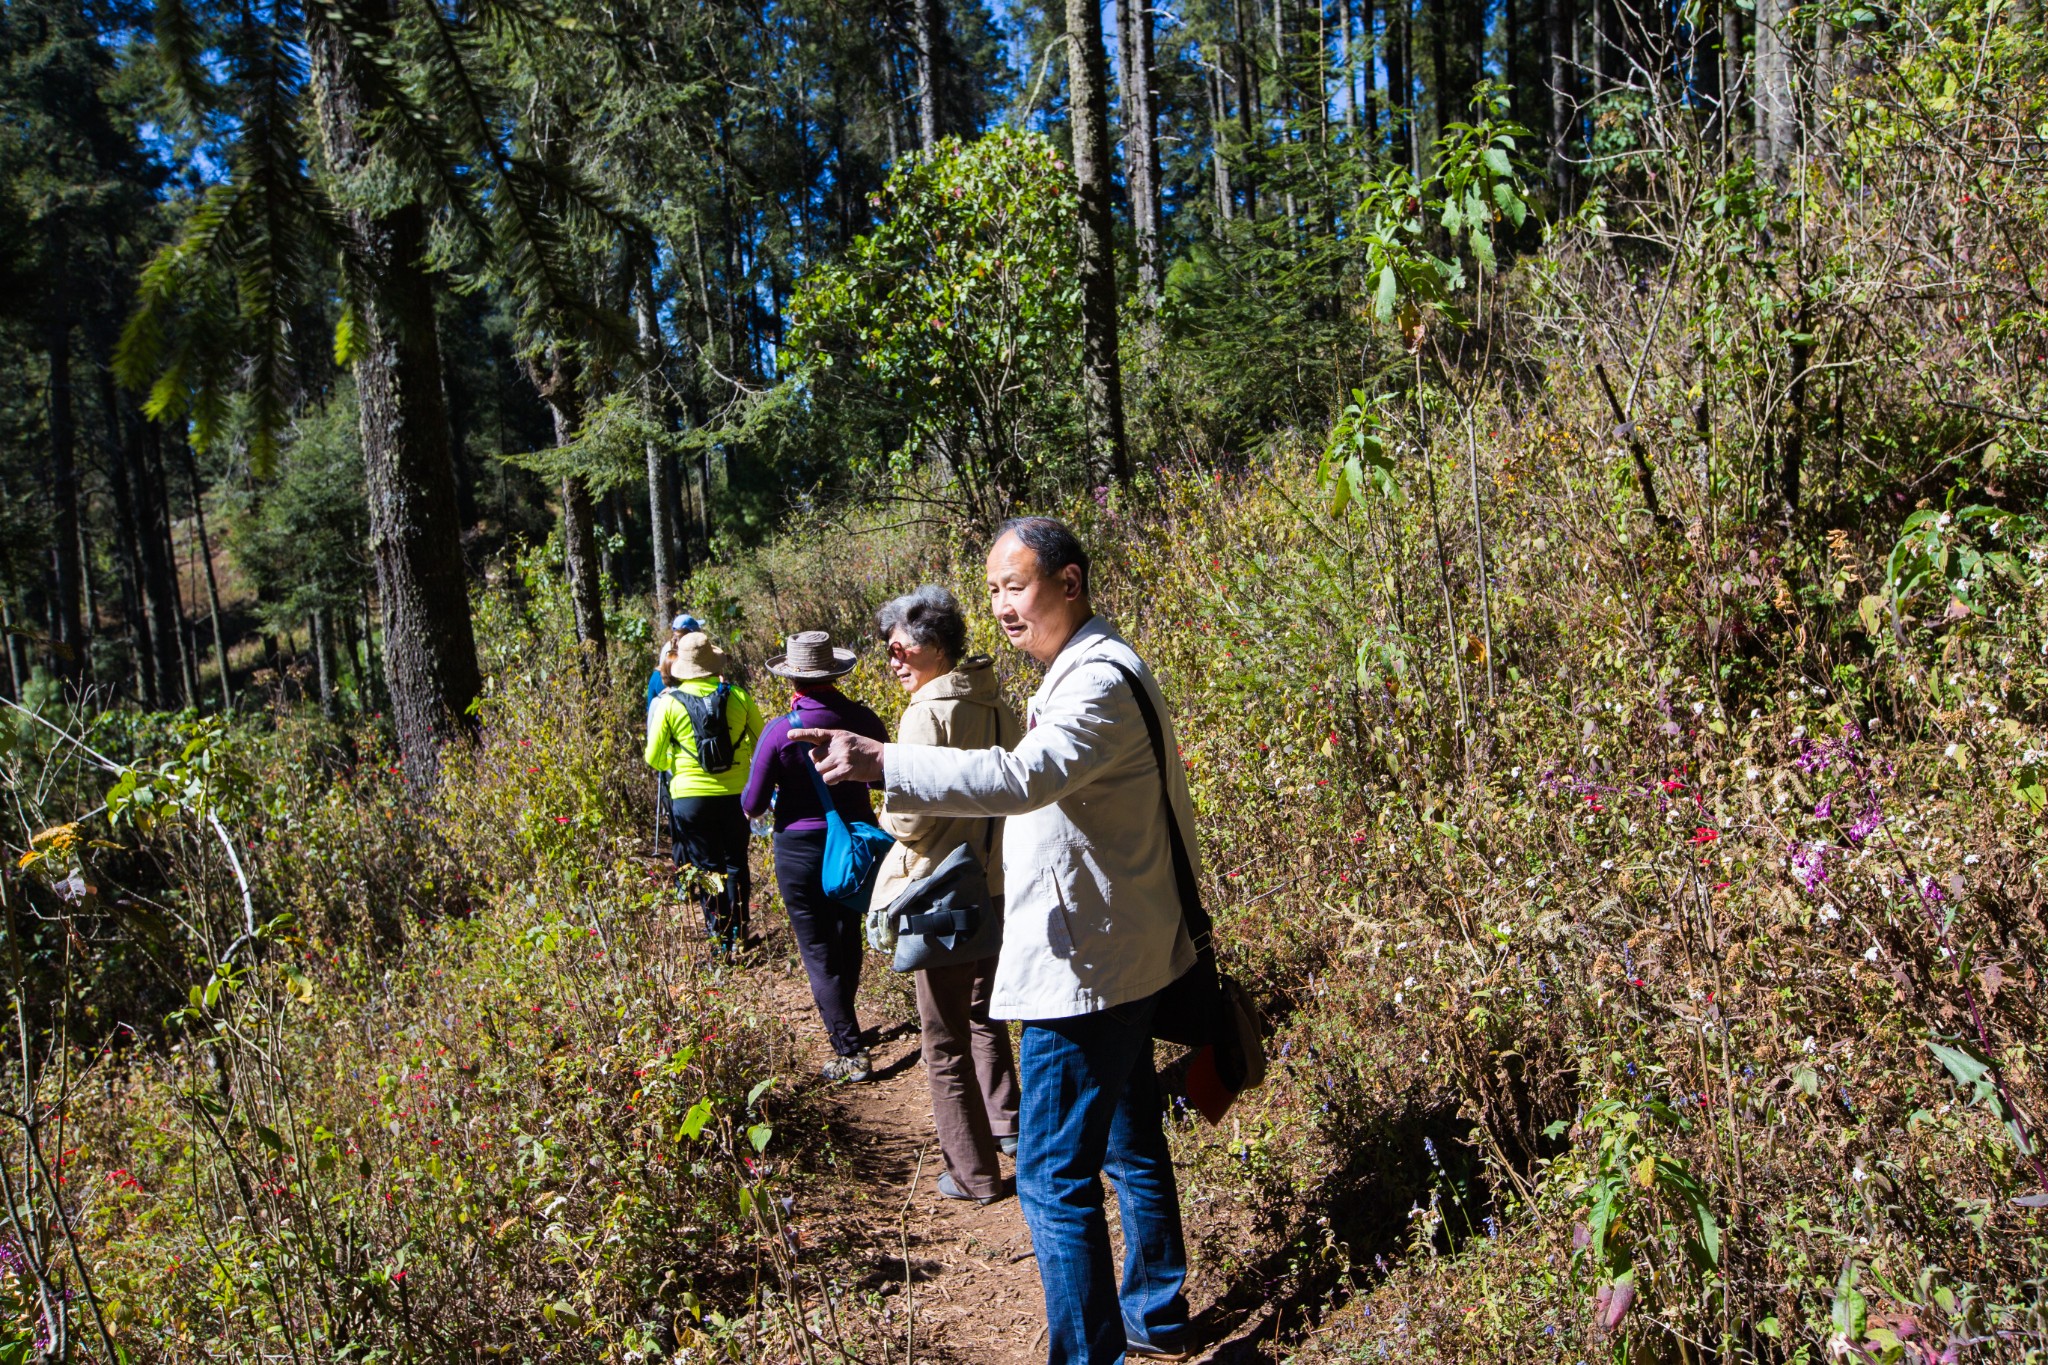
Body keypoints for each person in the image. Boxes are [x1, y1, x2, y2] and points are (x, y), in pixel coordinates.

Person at [794, 519, 1199, 1365]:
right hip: (1119, 951)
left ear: (1070, 582)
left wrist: (886, 761)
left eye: (1016, 586)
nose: (1003, 606)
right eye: (992, 592)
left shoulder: (1097, 682)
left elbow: (1020, 779)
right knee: (1130, 1143)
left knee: (1052, 1178)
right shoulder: (1080, 672)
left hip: (1087, 969)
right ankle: (1156, 1315)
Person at [871, 586, 1023, 1206]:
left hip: (940, 894)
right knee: (987, 1017)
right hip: (995, 882)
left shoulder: (924, 714)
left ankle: (973, 1173)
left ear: (933, 648)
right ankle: (1011, 1127)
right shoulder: (991, 701)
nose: (894, 660)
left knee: (942, 1040)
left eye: (901, 648)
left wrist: (882, 812)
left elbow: (913, 820)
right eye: (890, 649)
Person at [741, 630, 890, 1083]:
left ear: (793, 680)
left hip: (800, 849)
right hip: (858, 845)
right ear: (836, 672)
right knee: (847, 938)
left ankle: (850, 1049)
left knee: (818, 949)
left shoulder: (779, 731)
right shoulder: (865, 720)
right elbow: (886, 779)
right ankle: (846, 1023)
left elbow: (752, 802)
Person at [646, 630, 764, 957]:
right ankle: (740, 932)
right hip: (735, 797)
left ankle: (720, 938)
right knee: (737, 862)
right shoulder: (738, 696)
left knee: (708, 867)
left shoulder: (669, 703)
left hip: (689, 800)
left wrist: (677, 759)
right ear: (714, 664)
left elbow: (653, 757)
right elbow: (762, 741)